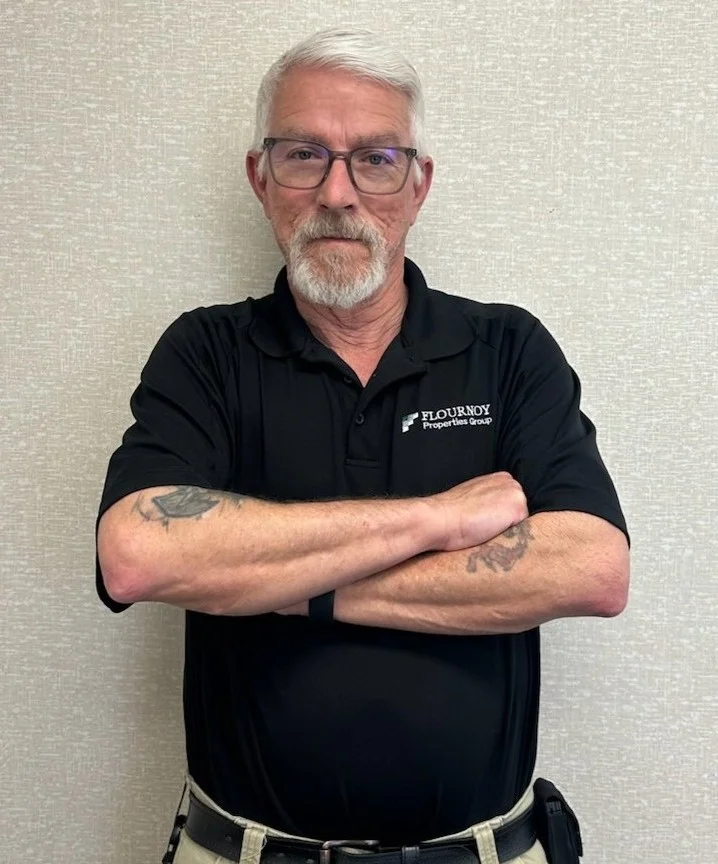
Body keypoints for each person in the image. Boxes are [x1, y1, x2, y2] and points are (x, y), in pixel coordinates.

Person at [96, 27, 629, 864]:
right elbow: (136, 553)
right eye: (305, 155)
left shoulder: (508, 349)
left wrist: (285, 583)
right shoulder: (205, 353)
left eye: (375, 159)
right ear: (260, 178)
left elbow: (592, 569)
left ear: (418, 185)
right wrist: (439, 519)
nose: (338, 193)